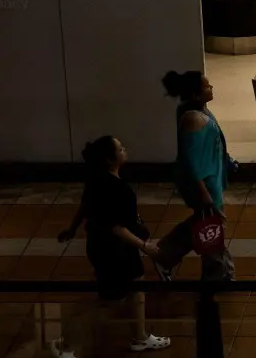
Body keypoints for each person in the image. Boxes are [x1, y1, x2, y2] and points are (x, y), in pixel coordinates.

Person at [52, 137, 170, 358]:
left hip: (102, 247)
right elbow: (116, 227)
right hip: (115, 251)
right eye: (120, 148)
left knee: (136, 287)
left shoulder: (96, 180)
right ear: (109, 159)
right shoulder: (117, 188)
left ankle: (140, 336)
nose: (125, 149)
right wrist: (144, 246)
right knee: (108, 301)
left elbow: (85, 207)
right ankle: (66, 345)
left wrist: (71, 229)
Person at [152, 71, 235, 281]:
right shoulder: (193, 120)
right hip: (203, 184)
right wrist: (203, 192)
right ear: (196, 94)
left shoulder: (199, 111)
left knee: (203, 222)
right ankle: (217, 274)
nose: (211, 88)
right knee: (211, 226)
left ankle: (164, 254)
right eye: (207, 86)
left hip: (210, 179)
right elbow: (190, 160)